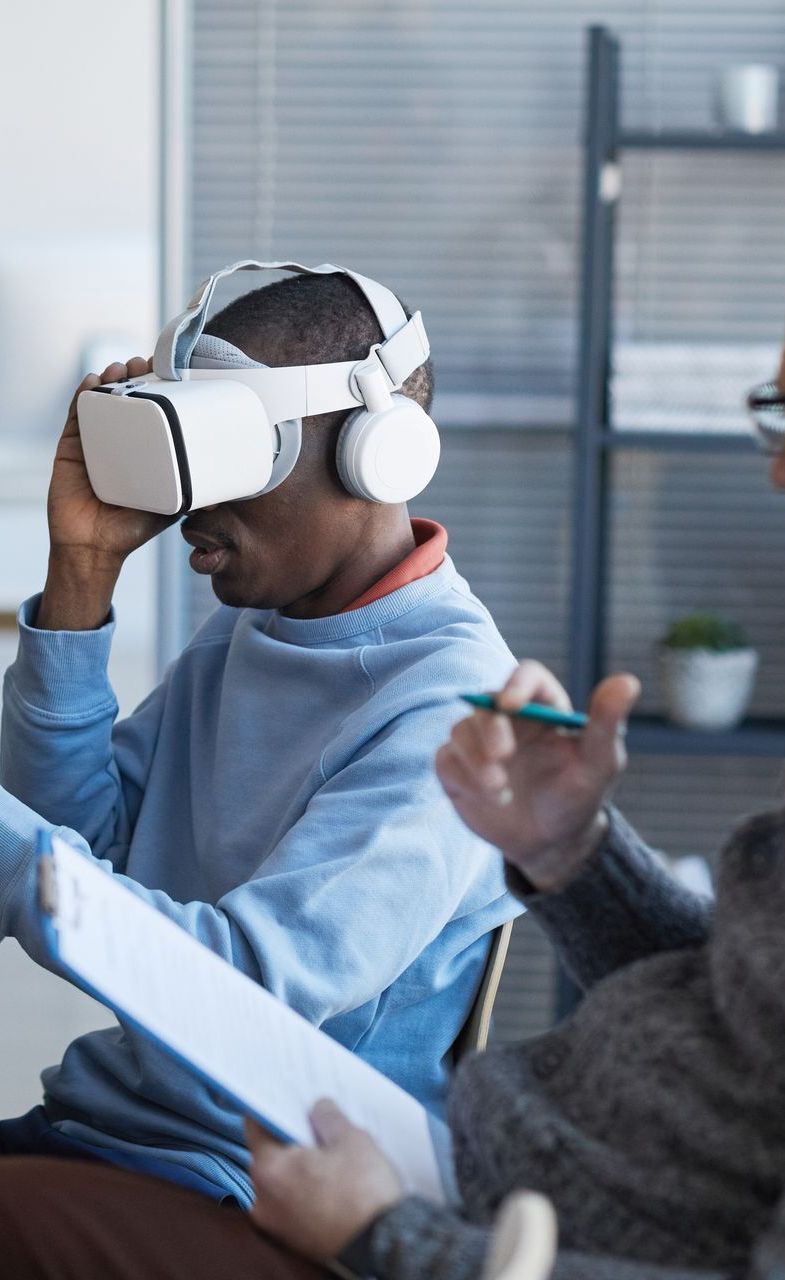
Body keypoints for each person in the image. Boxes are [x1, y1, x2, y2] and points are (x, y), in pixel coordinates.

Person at [3, 149, 785, 1278]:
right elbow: (744, 1012)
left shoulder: (427, 691)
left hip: (289, 1180)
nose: (776, 471)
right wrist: (577, 858)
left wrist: (390, 1236)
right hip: (351, 1168)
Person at [0, 267, 519, 1207]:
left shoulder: (453, 710)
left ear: (377, 454)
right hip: (118, 1133)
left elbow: (240, 992)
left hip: (270, 1191)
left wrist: (14, 858)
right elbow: (83, 845)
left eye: (237, 451)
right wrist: (81, 569)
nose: (194, 502)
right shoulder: (260, 627)